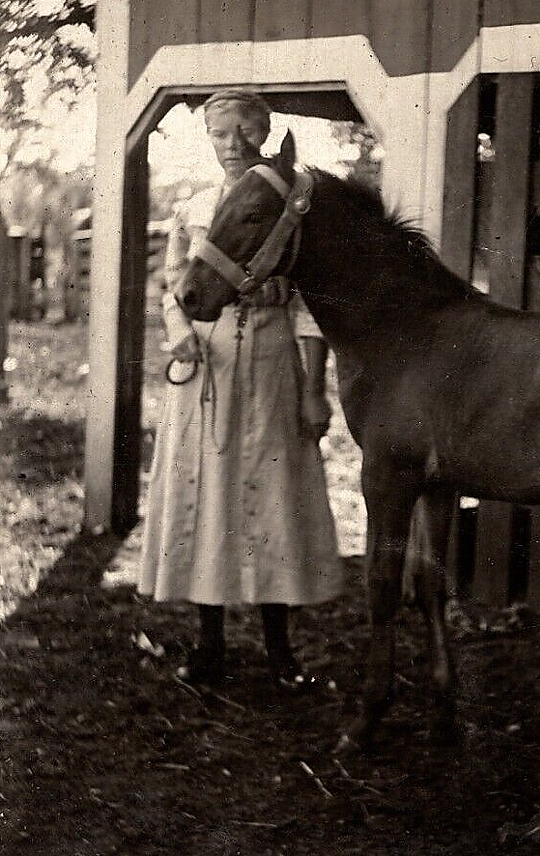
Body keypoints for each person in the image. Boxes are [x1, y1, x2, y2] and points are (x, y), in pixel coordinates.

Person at [139, 89, 343, 686]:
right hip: (209, 363)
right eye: (220, 134)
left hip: (274, 361)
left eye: (244, 133)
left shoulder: (286, 205)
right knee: (210, 494)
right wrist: (178, 333)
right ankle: (210, 647)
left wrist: (314, 387)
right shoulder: (194, 206)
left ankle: (280, 650)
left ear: (263, 133)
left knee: (273, 493)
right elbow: (173, 286)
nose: (233, 146)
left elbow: (308, 307)